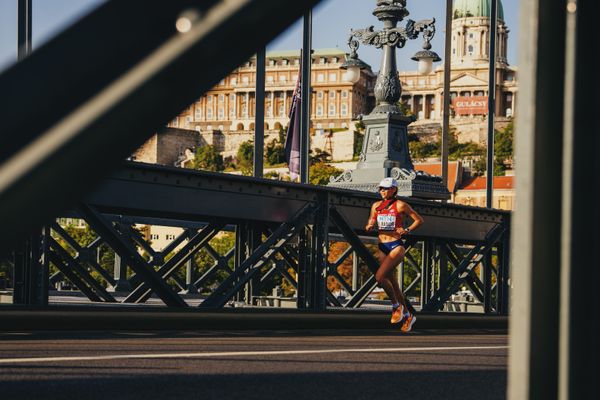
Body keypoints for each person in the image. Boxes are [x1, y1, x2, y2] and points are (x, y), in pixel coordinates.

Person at [365, 177, 424, 332]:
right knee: (394, 284)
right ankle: (408, 317)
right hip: (382, 245)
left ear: (394, 189)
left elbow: (419, 220)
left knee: (379, 277)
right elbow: (371, 221)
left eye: (385, 188)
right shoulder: (376, 206)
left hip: (396, 245)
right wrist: (370, 225)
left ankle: (396, 306)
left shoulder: (401, 205)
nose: (382, 191)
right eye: (380, 189)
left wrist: (407, 230)